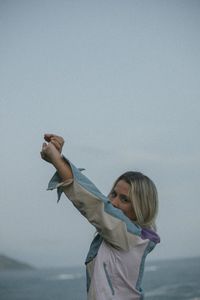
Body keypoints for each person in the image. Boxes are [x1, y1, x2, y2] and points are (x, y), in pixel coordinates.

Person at [40, 133, 160, 300]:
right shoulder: (124, 237)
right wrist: (58, 160)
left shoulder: (130, 237)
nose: (115, 202)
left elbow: (94, 204)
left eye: (125, 199)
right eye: (113, 194)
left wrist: (58, 161)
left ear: (142, 208)